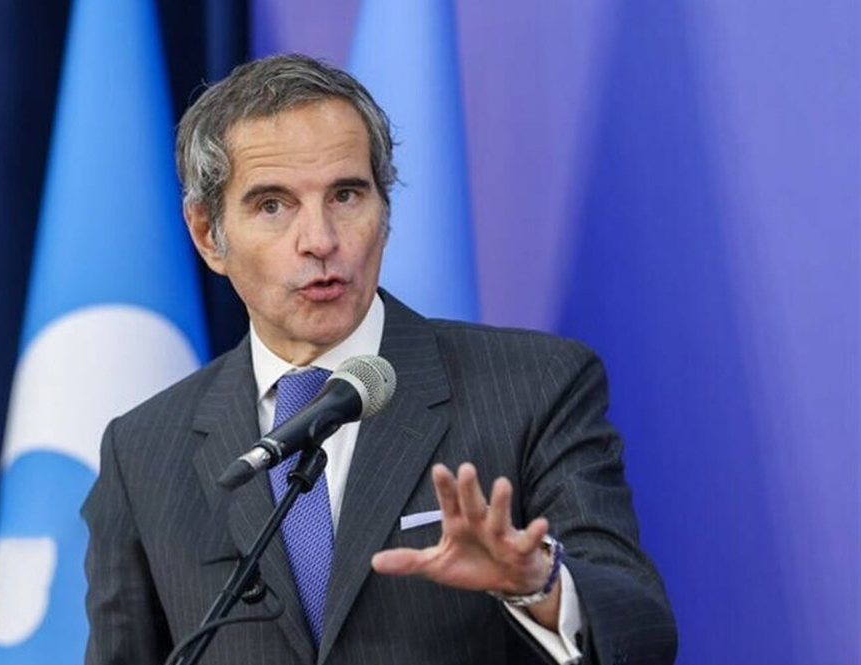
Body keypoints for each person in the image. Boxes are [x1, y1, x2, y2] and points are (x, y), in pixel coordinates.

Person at [82, 54, 676, 665]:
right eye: (273, 205)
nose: (320, 240)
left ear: (383, 213)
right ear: (209, 234)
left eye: (345, 195)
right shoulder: (144, 450)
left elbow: (641, 631)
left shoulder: (535, 387)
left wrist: (540, 586)